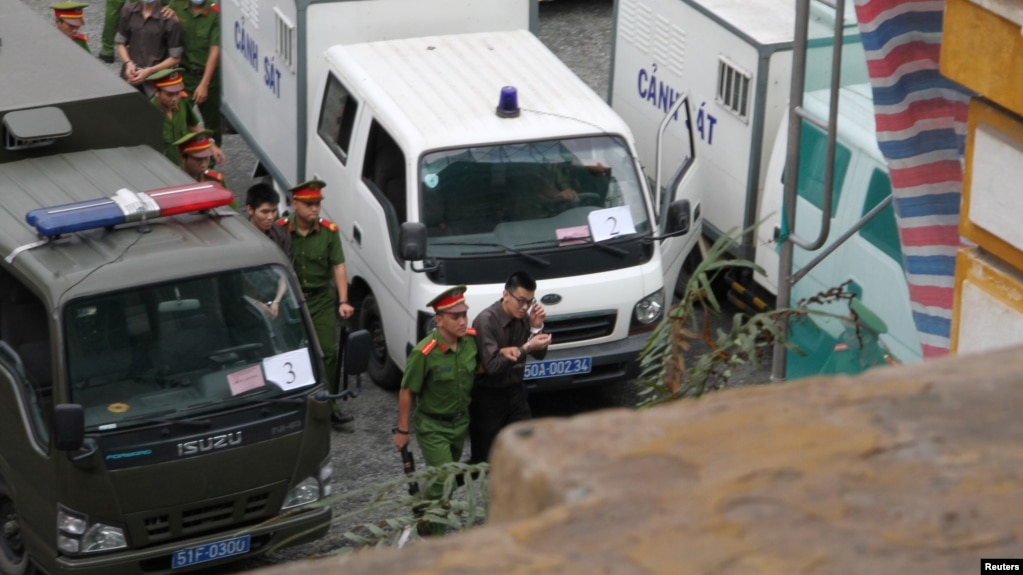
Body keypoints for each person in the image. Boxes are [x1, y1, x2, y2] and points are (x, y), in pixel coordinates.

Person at [392, 285, 477, 533]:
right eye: (455, 317)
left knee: (444, 480)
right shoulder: (424, 352)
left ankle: (423, 513)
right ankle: (435, 539)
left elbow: (481, 369)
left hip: (460, 424)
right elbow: (407, 390)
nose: (462, 321)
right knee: (444, 479)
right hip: (433, 427)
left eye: (464, 315)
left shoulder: (471, 341)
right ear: (439, 320)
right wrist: (403, 430)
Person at [277, 179, 355, 425]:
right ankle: (293, 406)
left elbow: (338, 266)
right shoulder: (280, 229)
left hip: (321, 297)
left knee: (328, 352)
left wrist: (343, 300)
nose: (315, 209)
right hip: (291, 299)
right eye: (309, 204)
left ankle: (328, 404)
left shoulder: (329, 232)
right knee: (290, 353)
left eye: (318, 204)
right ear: (294, 204)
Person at [469, 271, 551, 464]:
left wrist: (536, 329)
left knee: (527, 449)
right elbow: (492, 366)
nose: (525, 307)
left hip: (516, 393)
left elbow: (539, 355)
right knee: (486, 459)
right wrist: (526, 347)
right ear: (506, 294)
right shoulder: (486, 321)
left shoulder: (524, 319)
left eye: (530, 302)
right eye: (521, 301)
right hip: (488, 396)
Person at [166, 0, 222, 144]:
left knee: (212, 127)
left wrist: (204, 84)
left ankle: (210, 161)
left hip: (209, 78)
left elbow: (215, 50)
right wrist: (170, 19)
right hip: (184, 75)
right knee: (179, 119)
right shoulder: (178, 4)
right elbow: (162, 19)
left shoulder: (215, 12)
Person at [148, 68, 224, 166]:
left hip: (184, 167)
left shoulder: (182, 102)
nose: (175, 99)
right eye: (169, 94)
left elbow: (193, 125)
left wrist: (212, 146)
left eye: (178, 93)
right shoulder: (148, 112)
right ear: (156, 92)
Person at [115, 0, 182, 93]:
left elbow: (175, 58)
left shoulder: (169, 20)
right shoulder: (128, 11)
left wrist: (150, 71)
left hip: (156, 82)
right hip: (130, 76)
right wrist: (128, 63)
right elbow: (120, 43)